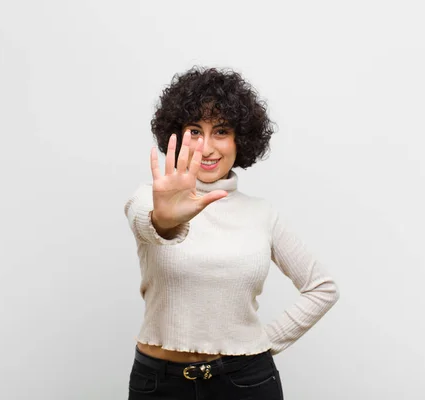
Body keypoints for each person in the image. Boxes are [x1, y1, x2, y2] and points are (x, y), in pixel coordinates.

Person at [123, 66, 340, 399]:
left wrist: (260, 344)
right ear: (177, 136)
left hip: (246, 383)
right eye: (195, 131)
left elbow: (322, 288)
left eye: (220, 131)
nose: (207, 147)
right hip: (160, 385)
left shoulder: (263, 214)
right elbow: (151, 223)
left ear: (240, 138)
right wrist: (165, 219)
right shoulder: (149, 197)